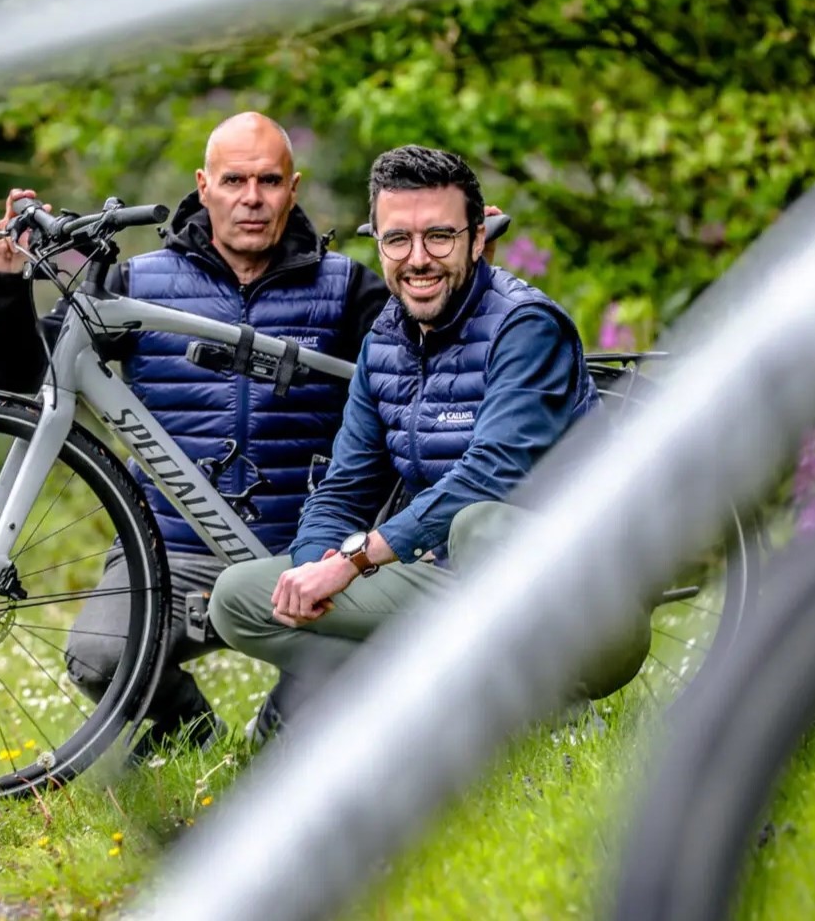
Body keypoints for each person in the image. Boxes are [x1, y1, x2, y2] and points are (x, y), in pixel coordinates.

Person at [0, 112, 391, 746]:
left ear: (294, 187)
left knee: (317, 722)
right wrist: (5, 285)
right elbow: (25, 381)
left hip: (302, 556)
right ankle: (194, 735)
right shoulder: (136, 284)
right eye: (233, 180)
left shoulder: (345, 288)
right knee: (100, 658)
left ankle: (276, 725)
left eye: (269, 181)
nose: (251, 199)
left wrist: (470, 272)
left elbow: (427, 370)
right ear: (203, 186)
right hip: (170, 551)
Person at [210, 144, 631, 732]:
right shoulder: (384, 341)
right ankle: (427, 704)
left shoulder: (527, 327)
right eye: (397, 240)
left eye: (439, 237)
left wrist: (357, 559)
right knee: (239, 598)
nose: (418, 259)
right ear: (378, 242)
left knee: (477, 524)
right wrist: (316, 572)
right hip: (451, 583)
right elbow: (343, 490)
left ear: (477, 238)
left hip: (587, 598)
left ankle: (554, 710)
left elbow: (490, 476)